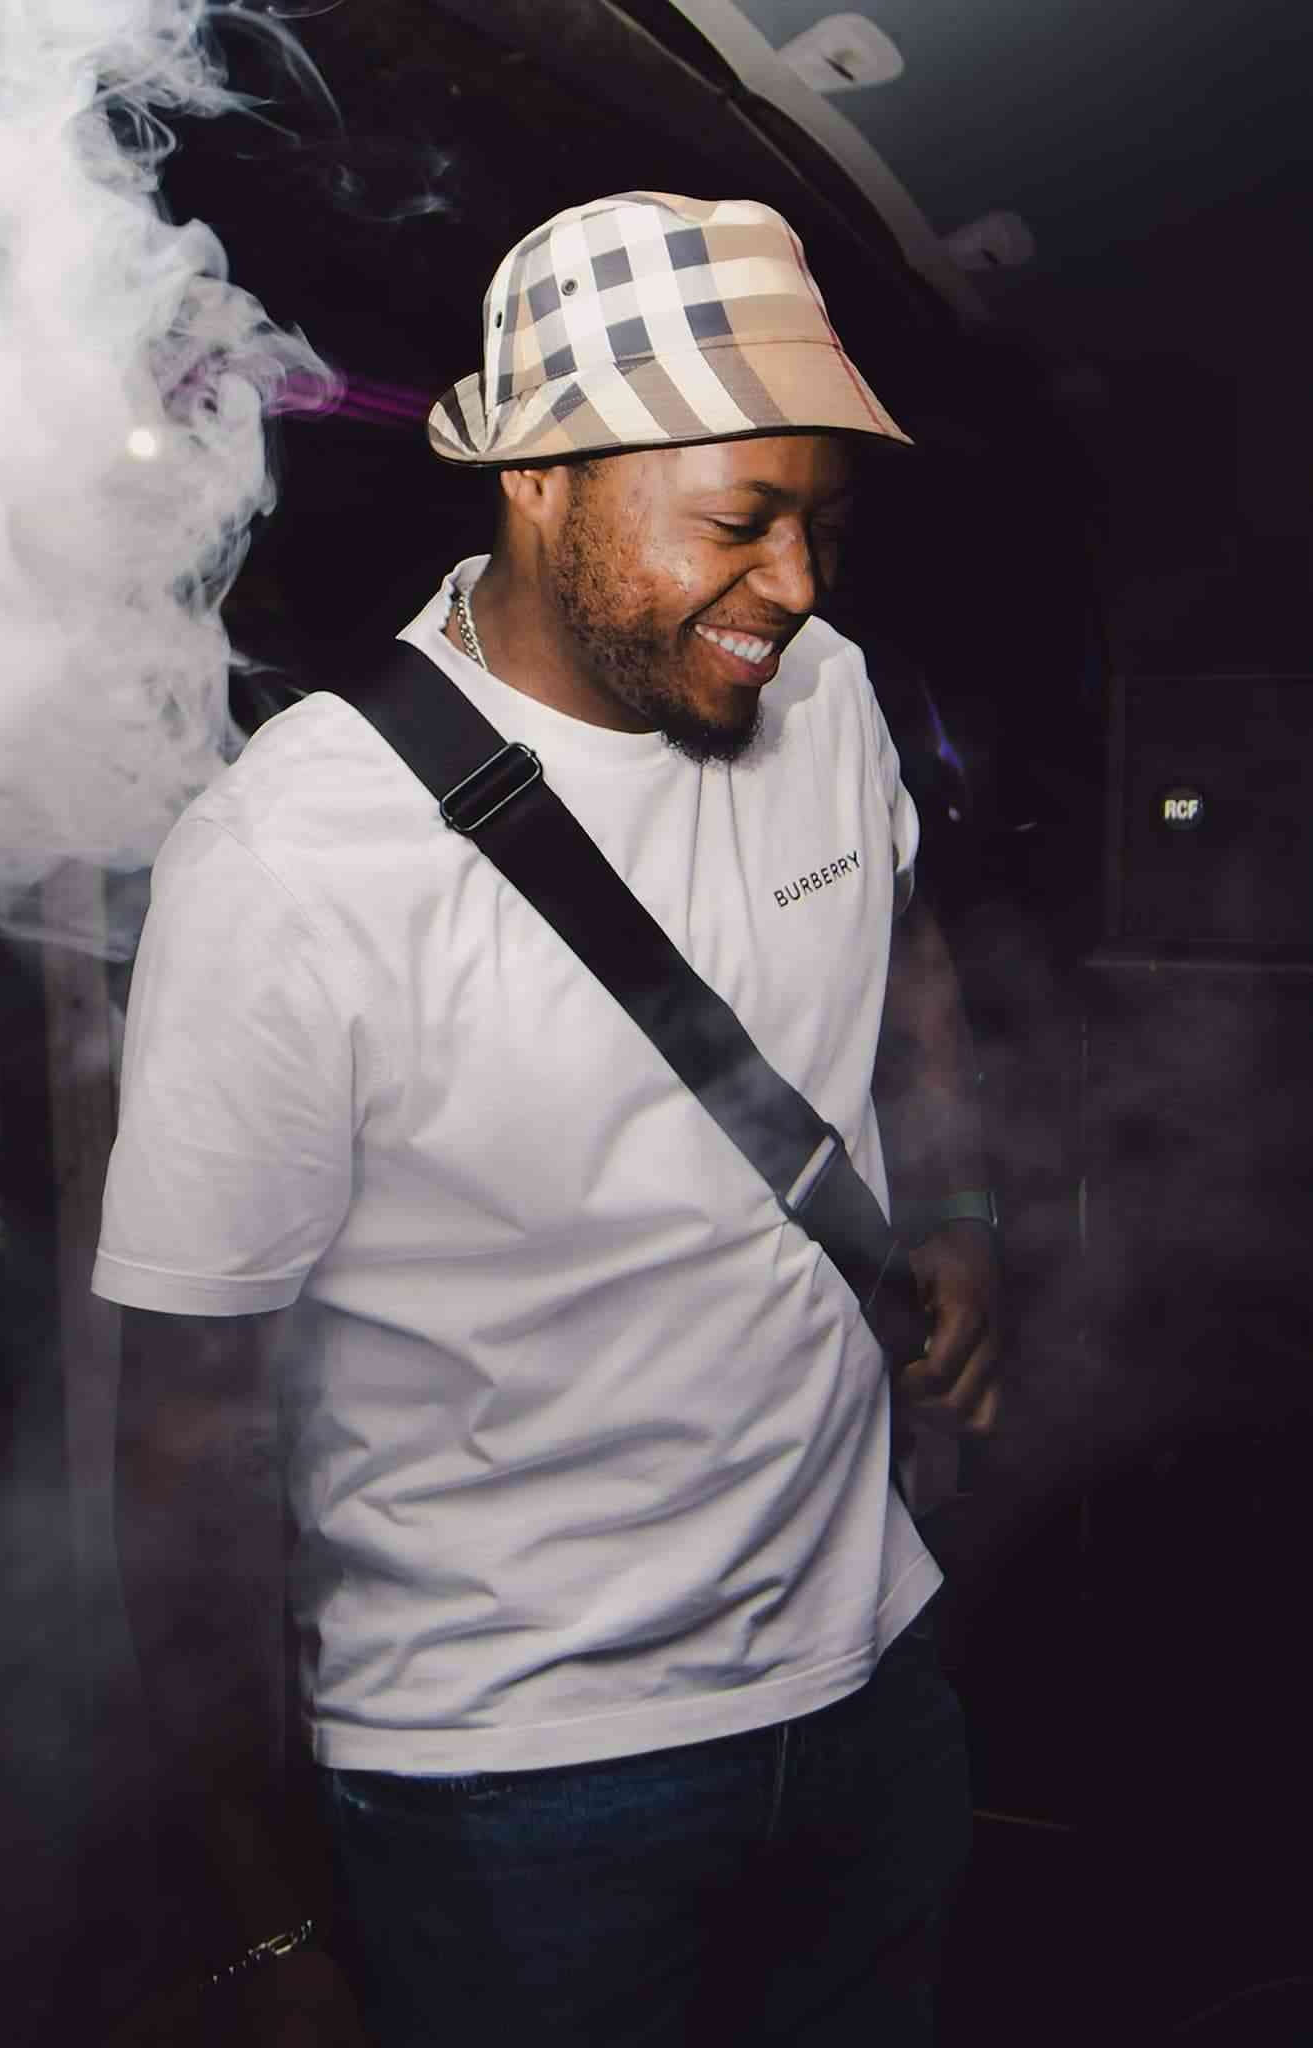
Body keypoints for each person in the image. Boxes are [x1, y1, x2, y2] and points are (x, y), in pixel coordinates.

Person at [95, 192, 1000, 2047]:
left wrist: (960, 1207)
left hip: (872, 1678)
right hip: (515, 1790)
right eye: (740, 521)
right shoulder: (293, 860)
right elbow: (182, 1438)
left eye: (824, 523)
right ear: (539, 479)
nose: (798, 585)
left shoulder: (823, 694)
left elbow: (901, 952)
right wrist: (267, 1931)